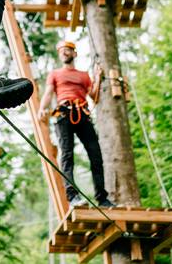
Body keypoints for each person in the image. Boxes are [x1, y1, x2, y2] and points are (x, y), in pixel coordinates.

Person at [38, 41, 115, 208]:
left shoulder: (83, 75)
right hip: (64, 114)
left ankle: (102, 198)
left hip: (83, 113)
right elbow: (49, 93)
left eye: (68, 51)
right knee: (67, 155)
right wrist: (42, 109)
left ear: (74, 53)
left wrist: (97, 78)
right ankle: (73, 197)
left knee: (96, 155)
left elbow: (94, 97)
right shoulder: (55, 74)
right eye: (62, 51)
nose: (64, 53)